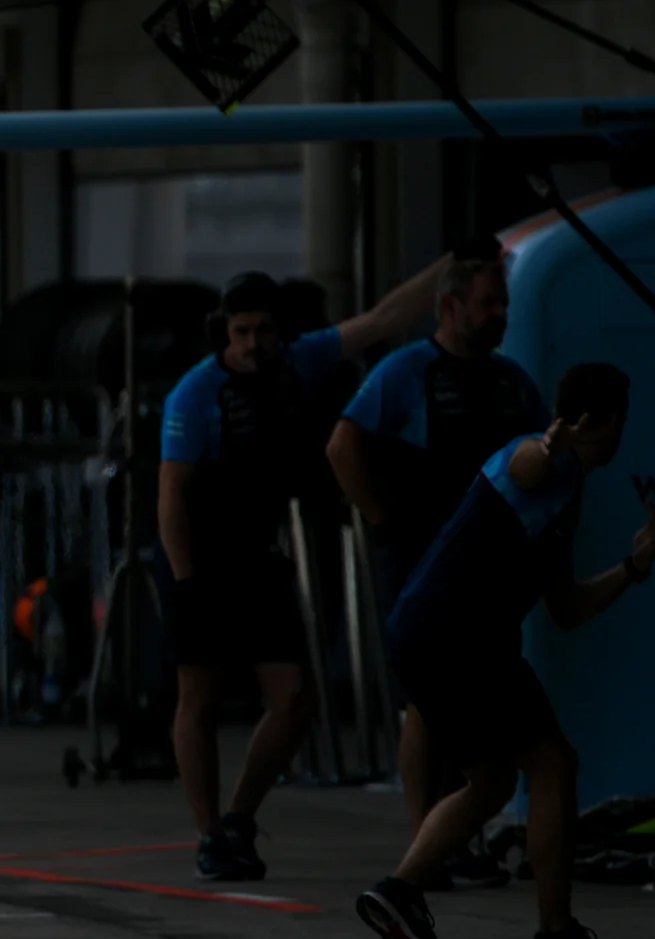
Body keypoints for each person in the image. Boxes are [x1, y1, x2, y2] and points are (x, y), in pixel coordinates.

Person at [357, 362, 655, 939]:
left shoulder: (565, 497)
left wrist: (633, 568)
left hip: (433, 635)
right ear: (603, 424)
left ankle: (399, 892)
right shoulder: (537, 462)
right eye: (620, 422)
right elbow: (529, 463)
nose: (621, 434)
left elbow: (567, 608)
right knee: (553, 762)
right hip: (456, 635)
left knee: (493, 781)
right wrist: (549, 443)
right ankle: (554, 936)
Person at [159, 260, 447, 881]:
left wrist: (449, 266)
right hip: (199, 558)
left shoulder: (297, 361)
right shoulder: (195, 394)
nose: (252, 344)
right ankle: (210, 832)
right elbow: (171, 495)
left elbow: (384, 319)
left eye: (263, 330)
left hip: (258, 556)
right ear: (223, 333)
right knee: (199, 698)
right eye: (240, 332)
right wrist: (187, 585)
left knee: (293, 698)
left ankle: (239, 816)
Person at [325, 250, 545, 886]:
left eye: (504, 303)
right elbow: (342, 446)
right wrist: (385, 523)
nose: (501, 315)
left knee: (472, 703)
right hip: (422, 561)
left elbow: (546, 448)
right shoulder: (407, 371)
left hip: (492, 568)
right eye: (488, 304)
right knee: (426, 703)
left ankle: (459, 839)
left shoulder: (510, 382)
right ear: (451, 307)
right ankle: (430, 845)